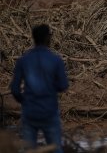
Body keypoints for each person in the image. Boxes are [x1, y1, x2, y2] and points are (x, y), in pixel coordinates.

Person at [10, 24, 69, 153]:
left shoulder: (23, 60)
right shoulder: (55, 60)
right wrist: (50, 89)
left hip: (30, 111)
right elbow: (63, 85)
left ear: (33, 38)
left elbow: (14, 88)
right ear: (48, 38)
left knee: (29, 149)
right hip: (49, 111)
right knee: (56, 148)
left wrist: (24, 101)